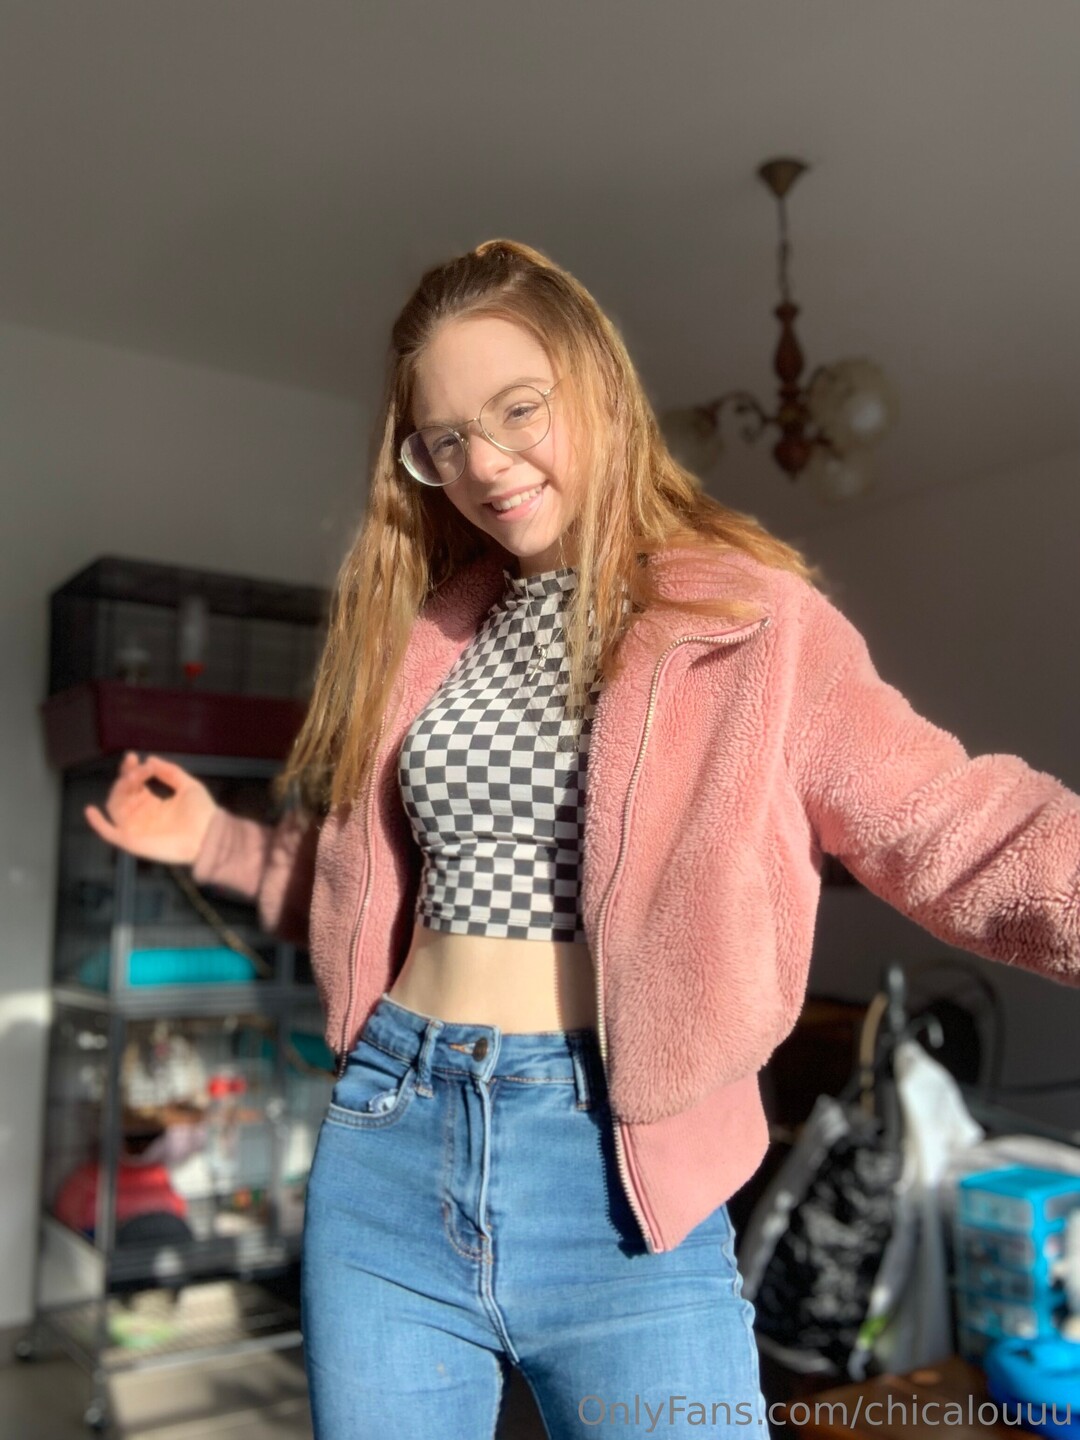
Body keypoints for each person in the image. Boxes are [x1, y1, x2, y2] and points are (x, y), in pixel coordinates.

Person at [84, 238, 1080, 1439]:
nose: (485, 465)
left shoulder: (750, 622)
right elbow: (363, 895)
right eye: (445, 439)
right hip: (391, 1145)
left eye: (518, 410)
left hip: (620, 1184)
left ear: (597, 385)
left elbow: (957, 827)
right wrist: (211, 841)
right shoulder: (427, 645)